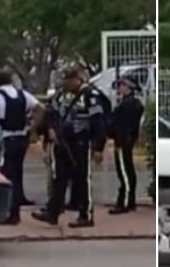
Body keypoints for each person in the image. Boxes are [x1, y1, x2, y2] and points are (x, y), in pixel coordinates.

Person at [32, 67, 107, 228]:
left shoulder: (90, 95)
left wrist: (98, 147)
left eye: (68, 80)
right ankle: (52, 212)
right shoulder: (61, 95)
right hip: (62, 141)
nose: (65, 84)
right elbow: (51, 112)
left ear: (77, 80)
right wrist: (50, 129)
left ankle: (85, 215)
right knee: (60, 178)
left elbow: (98, 122)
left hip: (80, 142)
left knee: (82, 179)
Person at [0, 69, 41, 224]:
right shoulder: (23, 95)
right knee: (17, 174)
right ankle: (16, 207)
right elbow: (41, 108)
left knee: (6, 175)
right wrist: (33, 129)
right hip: (21, 138)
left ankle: (10, 213)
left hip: (5, 139)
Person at [109, 76, 144, 214]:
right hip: (125, 140)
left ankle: (125, 203)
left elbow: (121, 124)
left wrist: (115, 134)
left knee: (124, 172)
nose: (119, 88)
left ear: (129, 87)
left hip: (123, 141)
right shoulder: (130, 103)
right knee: (127, 171)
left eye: (122, 85)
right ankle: (129, 201)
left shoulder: (129, 105)